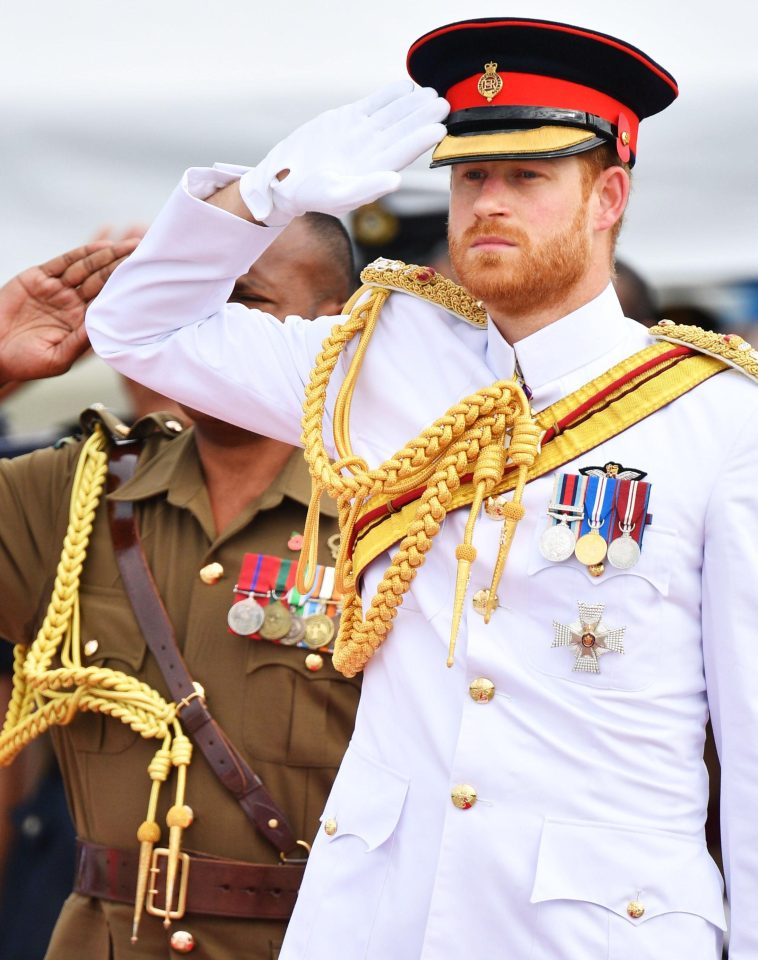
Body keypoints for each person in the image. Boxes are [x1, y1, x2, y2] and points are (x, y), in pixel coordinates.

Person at [86, 18, 758, 960]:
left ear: (608, 196)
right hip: (379, 918)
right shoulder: (375, 361)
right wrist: (265, 194)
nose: (489, 202)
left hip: (596, 932)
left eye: (528, 177)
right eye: (471, 176)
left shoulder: (721, 419)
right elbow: (136, 332)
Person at [0, 212, 359, 959]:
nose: (205, 322)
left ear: (334, 328)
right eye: (188, 292)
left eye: (243, 298)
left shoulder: (396, 516)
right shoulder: (79, 492)